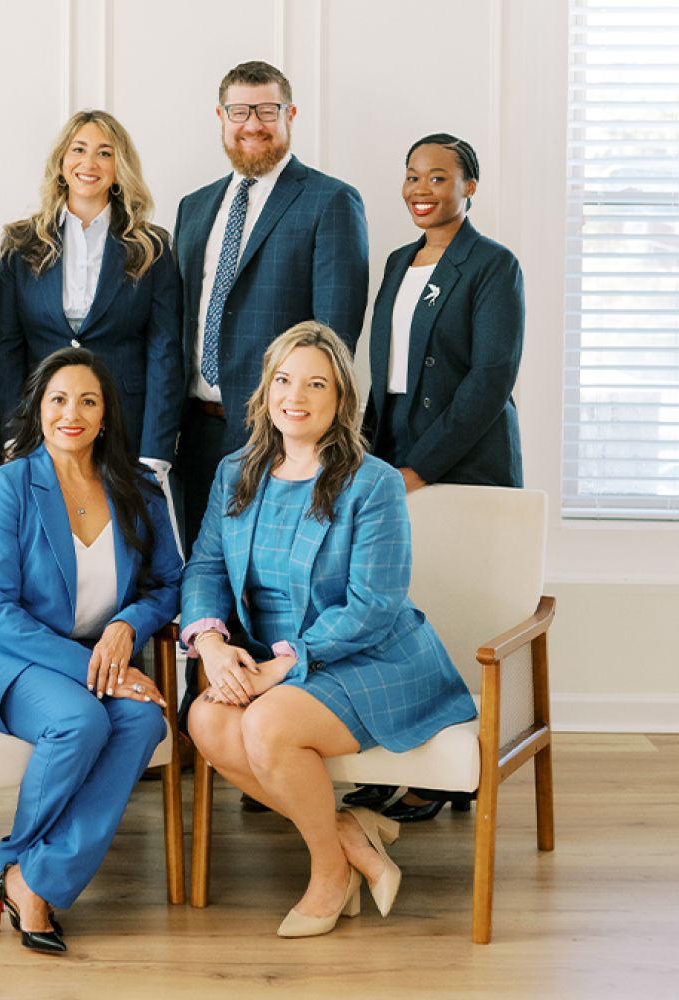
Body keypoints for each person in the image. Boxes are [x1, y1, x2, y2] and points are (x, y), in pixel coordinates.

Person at [181, 321, 476, 937]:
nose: (297, 396)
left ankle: (327, 874)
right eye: (284, 380)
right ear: (265, 391)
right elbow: (206, 566)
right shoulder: (235, 471)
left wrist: (282, 664)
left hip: (374, 658)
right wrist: (210, 643)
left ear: (341, 398)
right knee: (206, 718)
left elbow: (376, 603)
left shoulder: (373, 483)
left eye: (316, 383)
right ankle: (347, 833)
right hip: (275, 664)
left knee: (266, 724)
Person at [0, 347, 182, 954]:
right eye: (59, 399)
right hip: (6, 658)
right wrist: (101, 672)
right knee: (78, 718)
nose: (73, 413)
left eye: (88, 401)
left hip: (99, 656)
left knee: (144, 718)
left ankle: (33, 877)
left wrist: (126, 626)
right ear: (39, 408)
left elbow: (170, 582)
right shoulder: (6, 486)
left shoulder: (140, 486)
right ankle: (19, 865)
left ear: (105, 415)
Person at [345, 132, 525, 823]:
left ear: (468, 188)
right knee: (398, 616)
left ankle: (454, 775)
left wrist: (422, 466)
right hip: (393, 455)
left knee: (460, 614)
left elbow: (489, 381)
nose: (423, 190)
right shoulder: (395, 262)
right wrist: (367, 453)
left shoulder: (492, 265)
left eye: (440, 178)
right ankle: (400, 756)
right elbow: (385, 374)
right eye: (413, 177)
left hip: (464, 463)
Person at [173, 60, 369, 557]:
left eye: (267, 110)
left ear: (290, 114)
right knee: (200, 572)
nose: (253, 124)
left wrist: (301, 430)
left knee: (270, 581)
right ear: (221, 117)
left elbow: (334, 338)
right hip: (193, 432)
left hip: (280, 435)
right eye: (240, 111)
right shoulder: (193, 207)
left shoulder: (331, 201)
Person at [0, 110, 183, 502]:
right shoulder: (22, 244)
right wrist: (14, 435)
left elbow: (165, 352)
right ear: (62, 163)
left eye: (104, 153)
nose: (89, 163)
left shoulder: (152, 247)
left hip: (126, 426)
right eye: (78, 150)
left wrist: (156, 451)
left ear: (119, 168)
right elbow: (4, 348)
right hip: (44, 425)